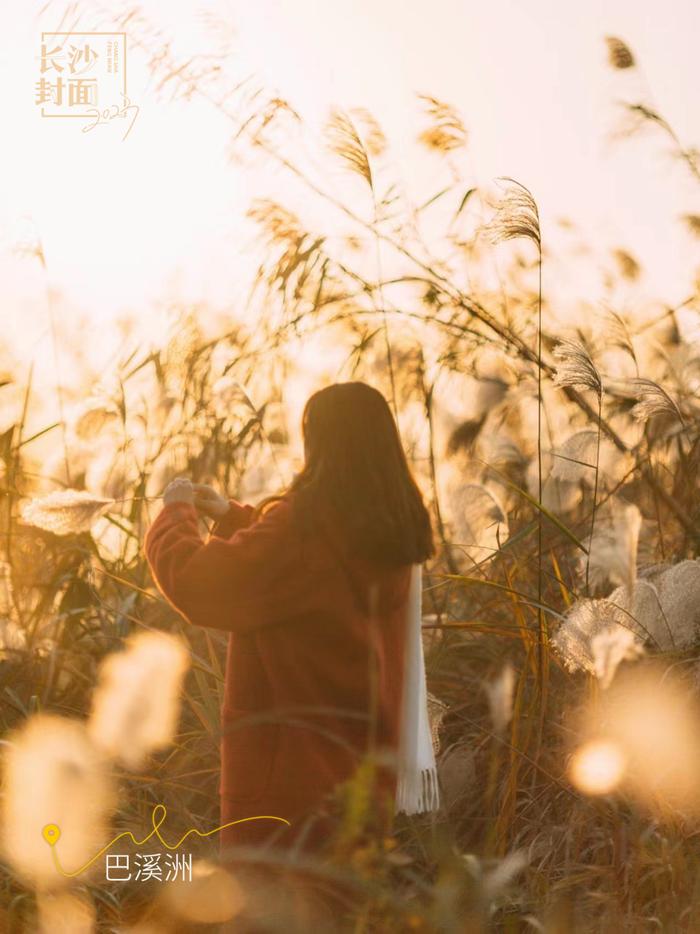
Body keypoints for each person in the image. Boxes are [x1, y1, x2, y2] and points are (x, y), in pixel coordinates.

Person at [143, 382, 435, 918]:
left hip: (285, 794)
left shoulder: (304, 526)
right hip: (362, 791)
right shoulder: (395, 533)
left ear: (317, 443)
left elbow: (198, 583)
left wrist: (175, 515)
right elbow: (312, 576)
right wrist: (234, 517)